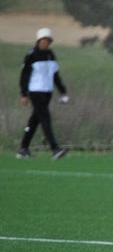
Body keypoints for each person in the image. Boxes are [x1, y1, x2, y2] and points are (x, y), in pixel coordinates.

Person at [17, 27, 69, 160]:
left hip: (47, 92)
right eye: (44, 40)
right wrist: (24, 94)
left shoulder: (50, 54)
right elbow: (24, 76)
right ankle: (55, 148)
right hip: (35, 92)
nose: (46, 42)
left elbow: (55, 75)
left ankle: (23, 148)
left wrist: (62, 91)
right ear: (39, 40)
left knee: (34, 121)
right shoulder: (31, 55)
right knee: (45, 118)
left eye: (48, 40)